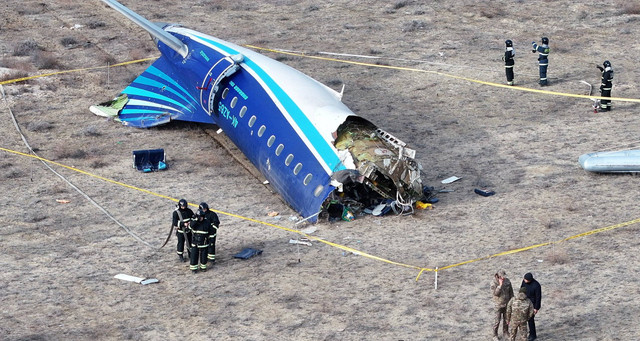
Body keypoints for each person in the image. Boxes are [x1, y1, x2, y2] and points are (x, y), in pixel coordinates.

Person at [189, 209, 215, 273]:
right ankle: (194, 269)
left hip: (204, 243)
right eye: (199, 217)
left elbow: (212, 232)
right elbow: (190, 226)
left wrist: (211, 241)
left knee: (203, 256)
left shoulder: (207, 223)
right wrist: (196, 220)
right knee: (194, 256)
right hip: (195, 243)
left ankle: (203, 267)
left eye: (201, 217)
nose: (200, 218)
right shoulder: (194, 222)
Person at [491, 269, 514, 340]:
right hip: (498, 305)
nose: (503, 278)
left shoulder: (507, 281)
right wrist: (500, 285)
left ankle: (505, 332)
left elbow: (511, 292)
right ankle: (494, 335)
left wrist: (512, 301)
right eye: (502, 277)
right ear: (498, 276)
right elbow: (495, 294)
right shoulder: (493, 283)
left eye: (504, 276)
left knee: (506, 319)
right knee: (497, 321)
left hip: (507, 304)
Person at [521, 272, 542, 341]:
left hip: (532, 304)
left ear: (529, 280)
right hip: (524, 302)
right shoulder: (524, 282)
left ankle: (533, 335)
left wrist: (536, 308)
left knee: (530, 320)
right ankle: (526, 333)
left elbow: (538, 297)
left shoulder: (536, 285)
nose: (524, 280)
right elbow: (521, 291)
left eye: (525, 279)